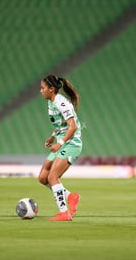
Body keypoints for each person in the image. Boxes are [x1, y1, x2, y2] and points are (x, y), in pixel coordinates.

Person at [38, 74, 82, 221]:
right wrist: (52, 136)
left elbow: (73, 126)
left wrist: (60, 143)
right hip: (62, 141)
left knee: (52, 177)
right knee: (43, 177)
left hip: (72, 143)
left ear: (51, 89)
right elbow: (61, 124)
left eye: (43, 88)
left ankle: (64, 213)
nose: (41, 91)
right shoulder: (51, 102)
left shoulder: (60, 102)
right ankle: (71, 196)